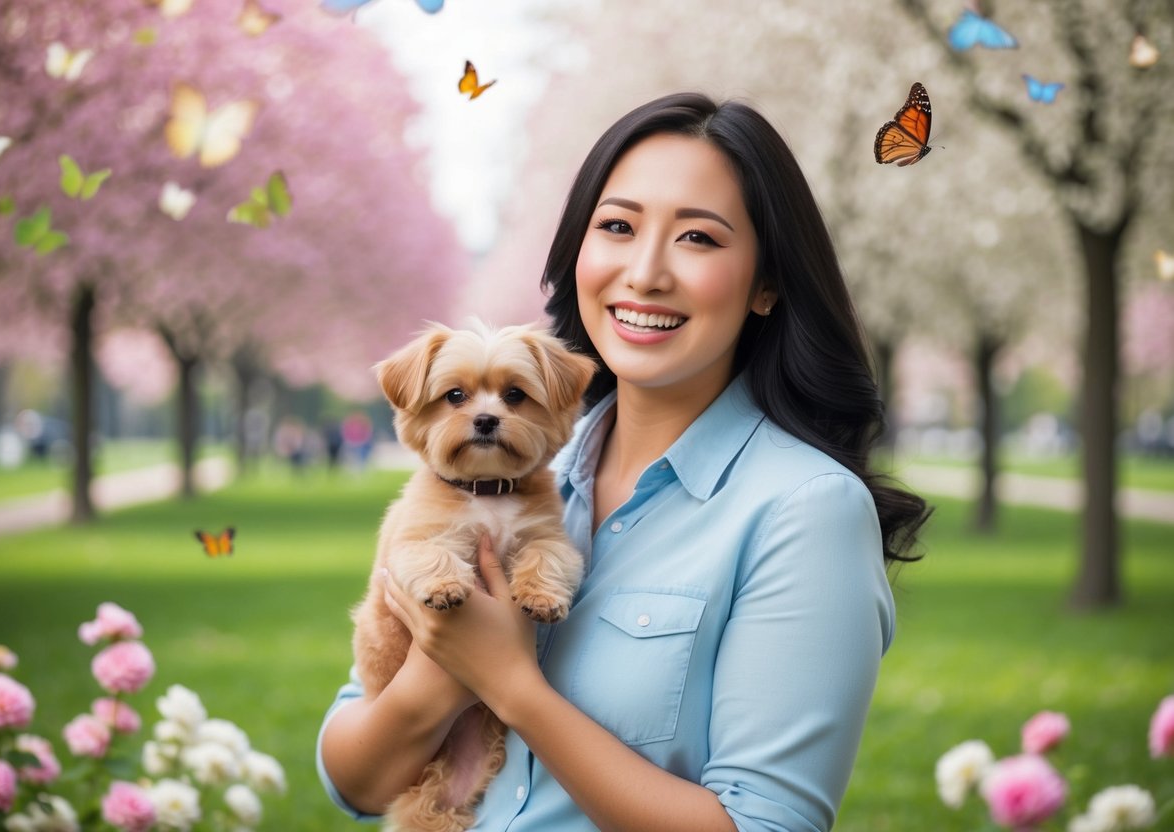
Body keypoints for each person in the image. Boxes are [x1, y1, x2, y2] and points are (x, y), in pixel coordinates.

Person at [317, 92, 930, 832]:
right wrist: (434, 677)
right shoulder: (506, 476)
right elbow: (352, 782)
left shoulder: (804, 509)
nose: (644, 273)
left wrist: (511, 684)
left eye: (697, 239)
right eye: (616, 227)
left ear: (766, 284)